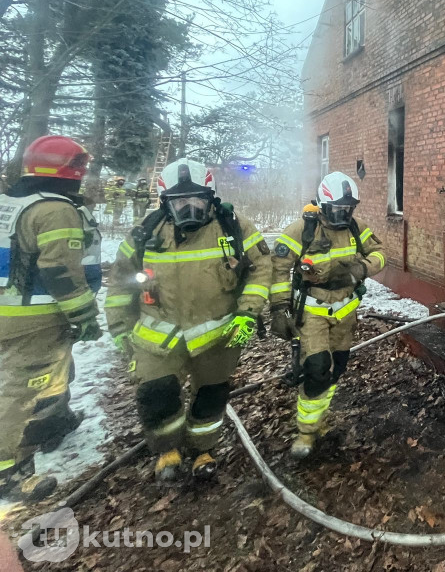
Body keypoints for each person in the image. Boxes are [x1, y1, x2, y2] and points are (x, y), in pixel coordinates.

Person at [105, 159, 271, 480]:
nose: (190, 207)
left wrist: (248, 312)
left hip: (218, 336)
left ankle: (203, 449)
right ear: (166, 203)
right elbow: (119, 285)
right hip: (157, 340)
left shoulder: (233, 228)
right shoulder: (145, 234)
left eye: (197, 199)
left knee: (210, 396)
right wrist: (119, 329)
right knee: (156, 395)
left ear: (211, 197)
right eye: (180, 202)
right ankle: (167, 450)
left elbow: (261, 269)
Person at [0, 136, 102, 502]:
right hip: (36, 316)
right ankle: (9, 472)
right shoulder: (56, 210)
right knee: (23, 391)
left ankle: (54, 421)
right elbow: (59, 270)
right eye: (80, 169)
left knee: (56, 373)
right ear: (70, 170)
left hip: (11, 311)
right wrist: (84, 314)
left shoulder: (11, 202)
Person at [269, 171, 386, 459]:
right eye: (337, 209)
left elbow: (381, 253)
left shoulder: (356, 227)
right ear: (322, 205)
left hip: (346, 311)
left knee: (337, 368)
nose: (343, 215)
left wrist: (364, 268)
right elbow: (280, 269)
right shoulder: (302, 230)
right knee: (318, 368)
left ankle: (321, 415)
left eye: (348, 209)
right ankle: (306, 433)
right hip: (312, 312)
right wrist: (278, 308)